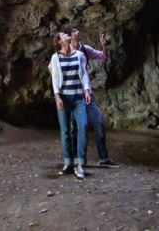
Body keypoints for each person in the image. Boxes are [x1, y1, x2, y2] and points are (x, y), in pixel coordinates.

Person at [70, 27, 120, 167]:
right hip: (73, 94)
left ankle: (103, 158)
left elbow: (103, 56)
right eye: (73, 30)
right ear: (69, 36)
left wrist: (103, 45)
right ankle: (76, 158)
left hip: (87, 94)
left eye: (76, 29)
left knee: (98, 122)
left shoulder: (85, 49)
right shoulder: (66, 52)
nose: (77, 31)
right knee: (74, 127)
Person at [49, 31, 92, 180]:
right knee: (66, 131)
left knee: (83, 126)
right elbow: (55, 78)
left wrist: (87, 91)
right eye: (63, 34)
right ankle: (68, 163)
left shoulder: (79, 55)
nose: (66, 34)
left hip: (78, 98)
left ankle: (80, 164)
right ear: (59, 41)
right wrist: (57, 97)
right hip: (64, 98)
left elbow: (84, 74)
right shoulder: (56, 57)